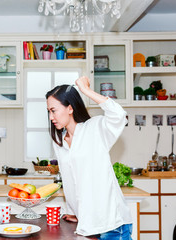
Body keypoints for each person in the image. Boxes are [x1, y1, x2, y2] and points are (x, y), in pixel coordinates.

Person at [46, 76, 133, 239]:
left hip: (112, 225)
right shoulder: (59, 142)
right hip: (87, 224)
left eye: (53, 110)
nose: (51, 117)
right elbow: (71, 180)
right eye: (49, 111)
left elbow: (119, 115)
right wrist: (75, 212)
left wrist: (86, 90)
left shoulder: (95, 128)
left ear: (70, 108)